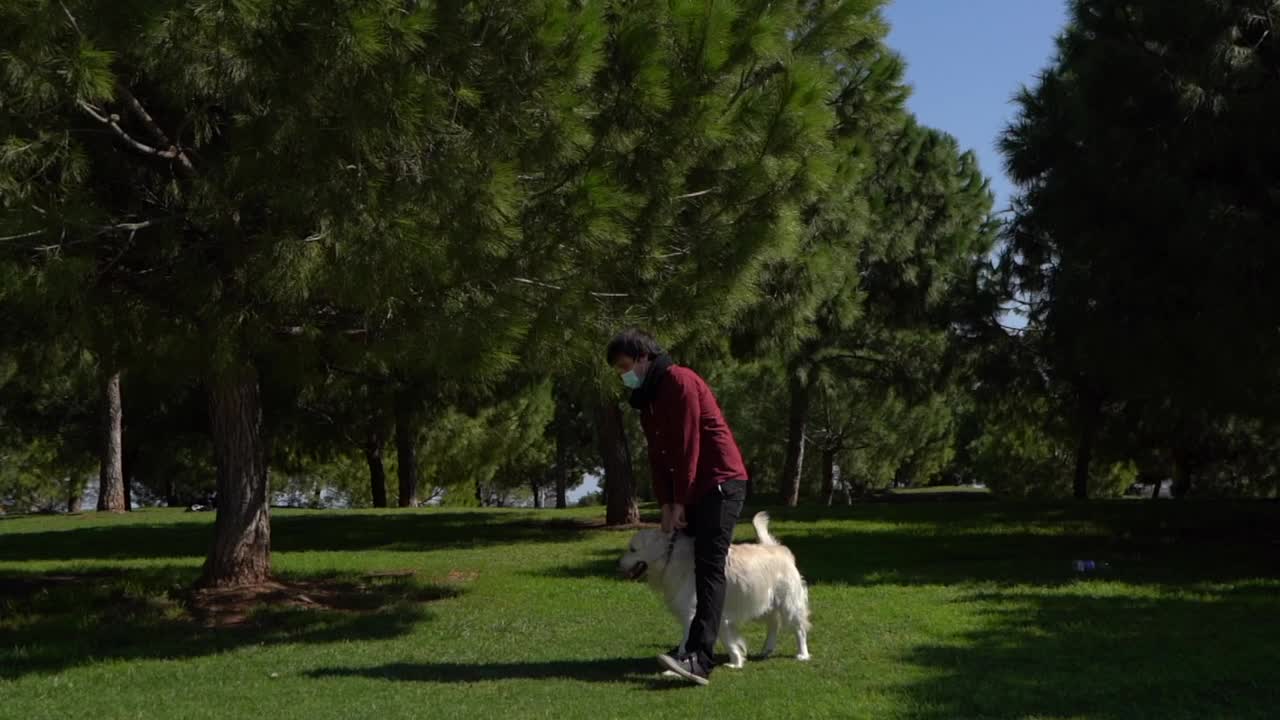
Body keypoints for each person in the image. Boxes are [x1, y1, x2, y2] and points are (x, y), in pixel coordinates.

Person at [606, 328, 748, 686]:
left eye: (625, 366)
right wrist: (667, 503)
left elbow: (689, 448)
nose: (623, 375)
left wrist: (680, 499)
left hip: (720, 483)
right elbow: (659, 457)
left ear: (643, 357)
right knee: (685, 563)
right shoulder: (649, 400)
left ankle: (701, 659)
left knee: (708, 566)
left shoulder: (680, 382)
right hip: (691, 489)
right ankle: (692, 643)